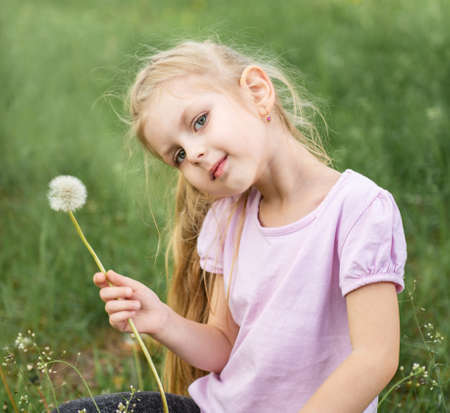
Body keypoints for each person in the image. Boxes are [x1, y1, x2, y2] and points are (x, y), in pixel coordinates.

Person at [55, 39, 407, 413]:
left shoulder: (358, 209)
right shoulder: (227, 218)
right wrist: (162, 320)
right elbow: (224, 346)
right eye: (177, 155)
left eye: (200, 121)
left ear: (257, 92)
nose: (193, 154)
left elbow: (376, 357)